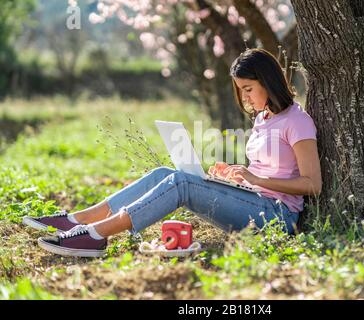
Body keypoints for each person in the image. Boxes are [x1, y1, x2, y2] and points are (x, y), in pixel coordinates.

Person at [22, 48, 322, 258]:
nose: (244, 97)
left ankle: (96, 235)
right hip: (255, 202)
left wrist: (256, 179)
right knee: (166, 173)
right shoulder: (263, 118)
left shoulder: (297, 120)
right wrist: (236, 176)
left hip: (278, 217)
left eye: (248, 88)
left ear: (268, 82)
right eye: (240, 90)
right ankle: (77, 220)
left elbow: (312, 184)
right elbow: (268, 170)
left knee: (181, 184)